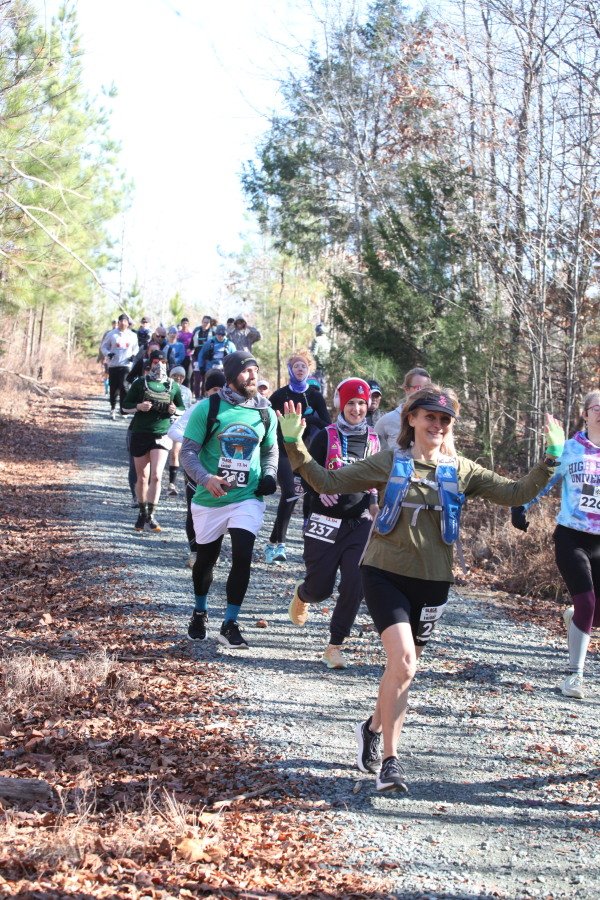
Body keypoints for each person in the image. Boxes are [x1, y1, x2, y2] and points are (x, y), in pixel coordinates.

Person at [277, 385, 562, 792]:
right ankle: (390, 763)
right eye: (430, 416)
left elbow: (515, 492)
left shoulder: (462, 469)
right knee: (405, 662)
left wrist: (551, 459)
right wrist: (294, 443)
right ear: (411, 419)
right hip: (384, 572)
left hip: (433, 581)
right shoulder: (390, 461)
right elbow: (326, 481)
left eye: (444, 420)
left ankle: (372, 729)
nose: (437, 425)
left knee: (400, 671)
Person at [181, 351, 278, 649]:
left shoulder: (266, 412)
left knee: (243, 554)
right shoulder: (208, 408)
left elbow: (270, 451)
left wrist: (270, 475)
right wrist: (206, 479)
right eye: (247, 371)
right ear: (232, 374)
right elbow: (187, 453)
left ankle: (230, 623)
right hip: (211, 497)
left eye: (256, 370)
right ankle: (200, 611)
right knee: (205, 561)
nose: (253, 375)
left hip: (247, 497)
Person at [511, 390, 600, 700]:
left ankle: (575, 617)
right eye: (597, 408)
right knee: (587, 603)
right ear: (585, 413)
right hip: (572, 537)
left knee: (592, 612)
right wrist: (521, 506)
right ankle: (574, 676)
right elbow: (545, 480)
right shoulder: (570, 449)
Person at [289, 378, 380, 669]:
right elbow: (304, 472)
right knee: (320, 589)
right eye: (351, 402)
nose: (356, 409)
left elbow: (377, 479)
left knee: (355, 582)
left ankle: (335, 646)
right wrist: (319, 491)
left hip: (359, 522)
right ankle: (303, 594)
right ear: (341, 404)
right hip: (324, 521)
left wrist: (375, 503)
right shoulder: (325, 436)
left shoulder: (374, 439)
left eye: (362, 403)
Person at [265, 351, 330, 564]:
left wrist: (311, 418)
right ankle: (280, 546)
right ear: (290, 370)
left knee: (295, 498)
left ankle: (271, 542)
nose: (300, 369)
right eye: (296, 366)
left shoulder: (315, 396)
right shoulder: (280, 395)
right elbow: (266, 420)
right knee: (290, 493)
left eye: (303, 366)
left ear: (309, 370)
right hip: (283, 449)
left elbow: (328, 425)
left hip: (304, 452)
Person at [122, 350, 185, 533]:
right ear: (150, 364)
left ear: (167, 364)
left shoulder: (172, 386)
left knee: (156, 476)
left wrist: (174, 410)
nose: (160, 365)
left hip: (162, 434)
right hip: (140, 433)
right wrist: (139, 407)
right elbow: (124, 406)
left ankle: (151, 514)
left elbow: (182, 408)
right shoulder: (140, 383)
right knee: (142, 477)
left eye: (163, 362)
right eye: (156, 362)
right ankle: (142, 512)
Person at [168, 369, 226, 567]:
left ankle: (212, 551)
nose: (218, 393)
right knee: (194, 509)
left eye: (222, 388)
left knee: (219, 509)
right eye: (214, 389)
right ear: (207, 391)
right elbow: (173, 430)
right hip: (195, 466)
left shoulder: (230, 409)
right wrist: (194, 442)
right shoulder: (199, 408)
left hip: (219, 468)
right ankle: (194, 552)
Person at [374, 367, 431, 450]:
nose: (423, 393)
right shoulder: (388, 420)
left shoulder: (434, 421)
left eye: (427, 389)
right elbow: (373, 450)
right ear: (406, 389)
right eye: (418, 388)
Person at [101, 314, 139, 419]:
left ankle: (123, 409)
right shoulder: (111, 334)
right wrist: (108, 353)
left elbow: (136, 348)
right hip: (113, 365)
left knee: (124, 386)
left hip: (126, 364)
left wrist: (133, 355)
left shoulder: (132, 335)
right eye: (121, 321)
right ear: (118, 323)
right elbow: (103, 347)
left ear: (128, 323)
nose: (123, 324)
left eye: (125, 322)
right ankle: (113, 408)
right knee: (113, 388)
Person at [166, 366, 193, 495]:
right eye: (175, 375)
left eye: (181, 376)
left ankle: (172, 484)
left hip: (179, 425)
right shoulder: (165, 388)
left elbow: (188, 409)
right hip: (165, 423)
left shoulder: (187, 392)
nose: (178, 378)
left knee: (175, 453)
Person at [191, 315, 214, 399]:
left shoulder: (213, 332)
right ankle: (197, 396)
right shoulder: (197, 330)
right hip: (196, 357)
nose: (205, 324)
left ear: (210, 323)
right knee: (197, 377)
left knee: (206, 377)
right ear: (202, 322)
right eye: (204, 322)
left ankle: (204, 395)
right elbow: (191, 344)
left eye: (207, 322)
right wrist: (189, 350)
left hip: (207, 358)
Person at [177, 318, 194, 387]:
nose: (184, 325)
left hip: (188, 357)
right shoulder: (178, 334)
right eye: (183, 323)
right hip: (179, 357)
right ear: (181, 324)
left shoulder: (191, 335)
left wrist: (191, 350)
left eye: (186, 323)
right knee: (179, 374)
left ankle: (187, 390)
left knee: (188, 376)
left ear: (188, 324)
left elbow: (193, 345)